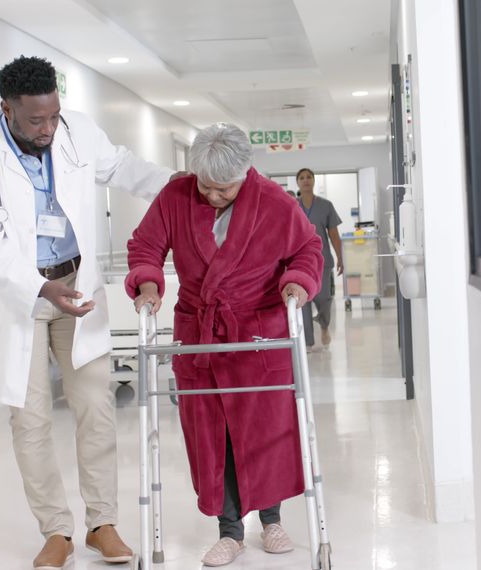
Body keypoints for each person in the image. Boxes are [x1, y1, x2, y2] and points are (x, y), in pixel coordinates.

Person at [0, 55, 183, 570]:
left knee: (95, 407)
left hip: (77, 286)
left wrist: (186, 183)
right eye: (36, 120)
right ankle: (56, 530)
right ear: (6, 109)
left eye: (54, 115)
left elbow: (126, 168)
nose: (49, 128)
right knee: (29, 419)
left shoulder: (76, 131)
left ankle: (102, 524)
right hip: (24, 297)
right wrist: (40, 288)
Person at [124, 124, 323, 567]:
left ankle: (271, 521)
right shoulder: (176, 197)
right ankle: (230, 531)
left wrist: (297, 284)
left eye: (224, 190)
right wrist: (149, 284)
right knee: (213, 437)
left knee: (265, 429)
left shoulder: (273, 202)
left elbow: (309, 248)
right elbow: (145, 245)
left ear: (244, 173)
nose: (212, 196)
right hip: (200, 336)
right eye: (206, 187)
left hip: (257, 333)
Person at [295, 168, 344, 348]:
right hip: (299, 262)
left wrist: (340, 257)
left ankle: (324, 324)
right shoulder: (292, 205)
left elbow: (334, 234)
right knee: (304, 301)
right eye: (302, 178)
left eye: (309, 177)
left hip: (323, 261)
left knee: (324, 298)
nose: (306, 180)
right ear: (297, 182)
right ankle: (308, 342)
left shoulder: (326, 205)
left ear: (314, 181)